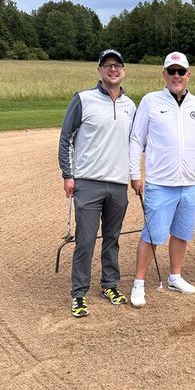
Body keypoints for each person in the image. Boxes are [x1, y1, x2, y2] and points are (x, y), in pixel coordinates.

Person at [128, 51, 195, 308]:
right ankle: (138, 283)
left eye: (181, 71)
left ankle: (175, 277)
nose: (176, 76)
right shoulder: (150, 101)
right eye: (171, 71)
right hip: (160, 182)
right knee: (152, 234)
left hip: (189, 183)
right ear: (164, 74)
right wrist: (135, 174)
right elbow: (136, 139)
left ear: (188, 74)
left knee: (181, 232)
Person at [58, 48, 136, 317]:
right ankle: (79, 293)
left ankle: (109, 285)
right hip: (88, 182)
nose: (113, 69)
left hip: (118, 183)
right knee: (86, 240)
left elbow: (135, 143)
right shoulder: (83, 99)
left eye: (117, 65)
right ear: (99, 70)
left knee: (112, 239)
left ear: (124, 71)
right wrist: (68, 175)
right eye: (107, 65)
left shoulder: (130, 106)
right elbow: (66, 138)